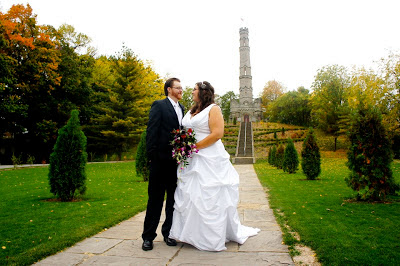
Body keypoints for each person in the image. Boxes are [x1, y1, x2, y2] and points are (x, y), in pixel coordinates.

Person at [169, 81, 260, 251]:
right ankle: (189, 234)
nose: (192, 91)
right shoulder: (190, 110)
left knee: (207, 196)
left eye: (195, 89)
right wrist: (184, 145)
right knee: (190, 196)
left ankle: (209, 236)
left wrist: (194, 147)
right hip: (191, 159)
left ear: (203, 92)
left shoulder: (214, 109)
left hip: (208, 157)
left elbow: (218, 133)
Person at [142, 77, 184, 251]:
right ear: (169, 89)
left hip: (176, 163)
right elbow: (151, 131)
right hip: (159, 161)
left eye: (182, 87)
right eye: (178, 87)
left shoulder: (182, 108)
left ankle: (168, 233)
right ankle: (148, 237)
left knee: (172, 201)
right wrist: (152, 157)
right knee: (155, 200)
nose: (181, 90)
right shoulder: (159, 105)